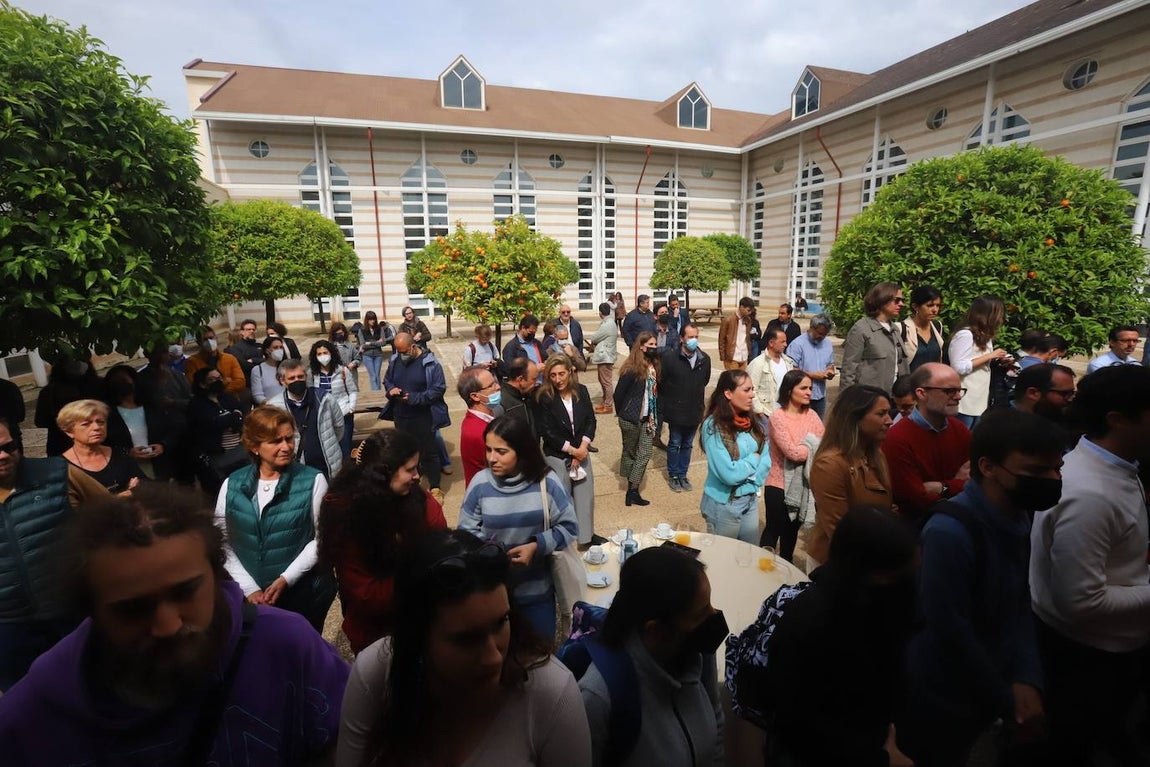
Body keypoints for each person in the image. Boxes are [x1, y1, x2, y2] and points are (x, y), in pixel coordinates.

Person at [0, 483, 350, 763]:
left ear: (216, 575)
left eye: (185, 593)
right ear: (91, 609)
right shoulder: (38, 712)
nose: (167, 625)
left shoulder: (286, 646)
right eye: (132, 609)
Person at [336, 529, 591, 767]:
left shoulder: (552, 694)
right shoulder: (376, 673)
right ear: (417, 637)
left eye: (501, 622)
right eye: (466, 639)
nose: (493, 658)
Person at [897, 409, 1059, 766]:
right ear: (987, 467)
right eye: (1035, 471)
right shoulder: (949, 533)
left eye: (1055, 468)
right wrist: (1008, 698)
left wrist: (1028, 677)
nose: (1051, 479)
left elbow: (1019, 601)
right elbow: (949, 629)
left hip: (994, 684)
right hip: (945, 696)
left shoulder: (1020, 513)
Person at [1029, 365, 1150, 765]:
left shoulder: (1110, 466)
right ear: (1117, 420)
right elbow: (1080, 602)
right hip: (1090, 659)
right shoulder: (1090, 495)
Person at [762, 506, 917, 767]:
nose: (910, 585)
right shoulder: (809, 623)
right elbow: (804, 723)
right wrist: (881, 759)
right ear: (873, 571)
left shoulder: (877, 602)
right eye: (899, 575)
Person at [579, 546, 727, 767]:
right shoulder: (598, 697)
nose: (713, 616)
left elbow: (716, 721)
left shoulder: (696, 653)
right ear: (655, 630)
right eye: (700, 613)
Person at [0, 417, 108, 689]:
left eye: (8, 446)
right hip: (10, 633)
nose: (2, 455)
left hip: (75, 616)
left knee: (100, 689)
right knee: (32, 707)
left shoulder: (58, 474)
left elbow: (115, 518)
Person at [318, 429, 446, 654]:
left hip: (424, 625)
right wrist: (426, 575)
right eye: (409, 469)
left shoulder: (418, 499)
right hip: (377, 639)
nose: (417, 476)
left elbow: (442, 546)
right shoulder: (346, 517)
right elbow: (369, 596)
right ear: (384, 473)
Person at [215, 406, 335, 631]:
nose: (286, 447)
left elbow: (323, 539)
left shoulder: (313, 480)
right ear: (254, 446)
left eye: (289, 438)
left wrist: (285, 579)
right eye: (275, 441)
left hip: (303, 596)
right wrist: (249, 588)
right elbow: (222, 540)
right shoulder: (232, 484)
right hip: (250, 601)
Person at [458, 416, 579, 639]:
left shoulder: (547, 482)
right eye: (488, 450)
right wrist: (492, 555)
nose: (491, 458)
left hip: (537, 596)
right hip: (492, 596)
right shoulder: (479, 484)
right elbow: (465, 533)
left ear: (522, 451)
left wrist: (537, 545)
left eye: (501, 452)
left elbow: (570, 527)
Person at [807, 385, 894, 566]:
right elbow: (840, 530)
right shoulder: (830, 464)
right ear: (854, 418)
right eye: (881, 414)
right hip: (841, 565)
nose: (890, 420)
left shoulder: (877, 455)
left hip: (874, 557)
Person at [881, 363, 973, 525]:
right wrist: (954, 486)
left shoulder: (960, 430)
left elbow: (976, 483)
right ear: (922, 394)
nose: (958, 396)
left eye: (959, 390)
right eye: (949, 391)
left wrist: (940, 487)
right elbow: (915, 500)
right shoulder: (896, 439)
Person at [698, 370, 771, 543]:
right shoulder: (713, 426)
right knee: (723, 557)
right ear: (728, 393)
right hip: (724, 505)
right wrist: (753, 459)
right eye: (746, 390)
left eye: (753, 389)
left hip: (750, 500)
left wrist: (749, 477)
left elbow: (766, 458)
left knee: (748, 553)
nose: (752, 395)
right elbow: (728, 474)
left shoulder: (752, 422)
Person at [535, 354, 600, 549]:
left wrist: (583, 447)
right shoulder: (544, 397)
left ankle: (586, 538)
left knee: (584, 496)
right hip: (558, 455)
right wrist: (573, 452)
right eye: (553, 375)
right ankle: (563, 539)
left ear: (570, 372)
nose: (558, 379)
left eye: (561, 374)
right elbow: (547, 432)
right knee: (561, 500)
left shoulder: (582, 391)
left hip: (581, 451)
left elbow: (590, 420)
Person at [760, 370, 824, 560]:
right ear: (789, 390)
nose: (809, 392)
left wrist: (809, 447)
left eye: (810, 388)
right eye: (803, 388)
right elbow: (792, 452)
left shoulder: (812, 415)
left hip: (803, 485)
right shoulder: (778, 417)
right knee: (773, 530)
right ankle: (762, 567)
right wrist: (812, 446)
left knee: (791, 534)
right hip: (778, 484)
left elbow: (825, 445)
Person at [383, 333, 448, 504]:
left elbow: (438, 389)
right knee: (406, 453)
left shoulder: (431, 363)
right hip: (400, 415)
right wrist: (391, 390)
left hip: (423, 416)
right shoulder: (395, 360)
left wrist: (414, 398)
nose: (401, 354)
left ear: (413, 346)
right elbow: (387, 380)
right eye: (398, 351)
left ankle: (435, 487)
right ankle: (413, 486)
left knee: (428, 452)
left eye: (404, 351)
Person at [270, 359, 344, 480]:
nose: (297, 380)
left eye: (300, 376)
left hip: (328, 467)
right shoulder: (274, 407)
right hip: (298, 471)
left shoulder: (325, 399)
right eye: (292, 378)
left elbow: (339, 427)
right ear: (282, 381)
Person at [660, 322, 711, 493]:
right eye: (690, 337)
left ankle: (682, 474)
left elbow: (704, 381)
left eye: (696, 337)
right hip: (676, 410)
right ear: (682, 338)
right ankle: (673, 475)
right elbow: (663, 382)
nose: (693, 340)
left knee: (688, 444)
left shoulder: (704, 359)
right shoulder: (670, 358)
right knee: (675, 442)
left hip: (694, 409)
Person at [948, 294, 1009, 429]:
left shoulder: (985, 337)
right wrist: (990, 356)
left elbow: (980, 363)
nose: (1001, 318)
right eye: (999, 314)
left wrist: (998, 360)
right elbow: (958, 367)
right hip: (964, 402)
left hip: (979, 401)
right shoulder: (965, 335)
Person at [102, 363, 171, 480]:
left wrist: (163, 445)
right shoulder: (107, 414)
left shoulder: (151, 407)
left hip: (159, 467)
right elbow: (106, 443)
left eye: (124, 380)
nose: (121, 384)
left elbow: (170, 429)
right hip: (128, 471)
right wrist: (127, 453)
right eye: (117, 381)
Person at [614, 331, 659, 507]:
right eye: (650, 345)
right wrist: (624, 412)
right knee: (630, 452)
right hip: (630, 419)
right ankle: (629, 486)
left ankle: (633, 490)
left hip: (649, 419)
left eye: (655, 345)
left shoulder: (654, 367)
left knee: (644, 453)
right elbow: (618, 395)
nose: (654, 348)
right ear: (641, 346)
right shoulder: (632, 369)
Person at [187, 367, 247, 498]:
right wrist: (232, 417)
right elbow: (211, 424)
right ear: (202, 384)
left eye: (219, 378)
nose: (217, 381)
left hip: (240, 453)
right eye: (212, 379)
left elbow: (243, 414)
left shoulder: (227, 398)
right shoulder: (196, 404)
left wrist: (231, 419)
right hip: (217, 458)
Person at [57, 400, 141, 494]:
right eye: (86, 424)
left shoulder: (120, 454)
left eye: (100, 422)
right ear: (69, 431)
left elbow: (143, 484)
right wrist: (121, 497)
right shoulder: (61, 468)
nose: (96, 427)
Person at [840, 282, 908, 391]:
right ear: (882, 300)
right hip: (870, 399)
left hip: (895, 398)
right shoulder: (861, 329)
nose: (901, 304)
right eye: (897, 300)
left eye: (902, 300)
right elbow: (849, 370)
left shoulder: (895, 329)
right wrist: (847, 403)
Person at [34, 352, 100, 456]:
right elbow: (40, 421)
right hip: (63, 447)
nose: (77, 364)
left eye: (80, 360)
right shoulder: (49, 392)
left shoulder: (99, 386)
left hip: (97, 444)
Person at [308, 339, 358, 458]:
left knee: (345, 449)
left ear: (331, 353)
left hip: (343, 414)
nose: (322, 356)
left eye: (325, 353)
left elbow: (353, 390)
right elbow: (310, 393)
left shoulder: (342, 371)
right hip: (323, 416)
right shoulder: (312, 373)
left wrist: (350, 408)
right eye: (319, 354)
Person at [457, 365, 501, 487]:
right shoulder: (477, 432)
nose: (498, 387)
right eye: (491, 385)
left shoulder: (487, 418)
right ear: (475, 396)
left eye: (496, 382)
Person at [785, 314, 836, 419]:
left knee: (817, 430)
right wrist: (812, 375)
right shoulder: (797, 344)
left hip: (820, 396)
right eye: (820, 333)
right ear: (812, 328)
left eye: (825, 334)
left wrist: (830, 371)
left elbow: (830, 364)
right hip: (801, 397)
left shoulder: (827, 344)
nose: (822, 337)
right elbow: (790, 370)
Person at [747, 327, 796, 419]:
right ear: (771, 343)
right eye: (782, 342)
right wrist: (759, 411)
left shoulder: (788, 362)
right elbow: (751, 389)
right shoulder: (758, 363)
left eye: (786, 341)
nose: (785, 344)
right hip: (767, 413)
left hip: (785, 412)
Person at [184, 325, 246, 395]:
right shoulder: (192, 362)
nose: (209, 341)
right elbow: (195, 386)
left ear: (216, 338)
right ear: (199, 342)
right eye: (205, 339)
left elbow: (240, 382)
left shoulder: (230, 358)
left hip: (230, 399)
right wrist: (225, 382)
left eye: (211, 338)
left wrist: (220, 392)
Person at [1013, 363, 1077, 428]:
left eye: (1072, 393)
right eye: (1065, 393)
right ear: (1033, 393)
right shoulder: (1008, 430)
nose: (1070, 399)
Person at [900, 285, 946, 372]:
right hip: (909, 382)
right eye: (930, 305)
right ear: (915, 306)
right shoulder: (902, 328)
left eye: (938, 305)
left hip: (933, 382)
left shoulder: (937, 326)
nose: (935, 309)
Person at [587, 301, 619, 414]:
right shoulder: (609, 322)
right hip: (605, 355)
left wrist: (593, 338)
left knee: (606, 381)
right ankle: (605, 401)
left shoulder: (607, 324)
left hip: (606, 356)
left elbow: (595, 338)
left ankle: (608, 404)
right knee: (603, 380)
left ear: (600, 313)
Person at [501, 357, 539, 435]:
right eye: (533, 379)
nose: (536, 383)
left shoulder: (526, 396)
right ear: (521, 379)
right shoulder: (503, 404)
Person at [358, 310, 395, 391]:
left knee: (377, 375)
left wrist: (370, 343)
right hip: (367, 356)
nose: (372, 321)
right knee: (373, 376)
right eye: (370, 319)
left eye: (374, 319)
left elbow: (383, 343)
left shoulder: (380, 329)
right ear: (366, 320)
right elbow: (363, 345)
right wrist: (376, 342)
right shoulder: (362, 330)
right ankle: (375, 393)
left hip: (378, 355)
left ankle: (377, 392)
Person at [718, 296, 755, 371]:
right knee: (733, 380)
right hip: (732, 356)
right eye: (748, 310)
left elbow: (747, 338)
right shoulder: (728, 320)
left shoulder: (748, 320)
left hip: (744, 355)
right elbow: (721, 339)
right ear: (741, 307)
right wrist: (723, 356)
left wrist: (749, 352)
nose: (750, 312)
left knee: (741, 381)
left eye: (751, 311)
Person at [250, 335, 287, 405]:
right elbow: (257, 395)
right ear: (267, 351)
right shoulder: (258, 370)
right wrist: (273, 404)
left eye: (281, 347)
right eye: (275, 347)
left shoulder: (287, 367)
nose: (279, 350)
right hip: (271, 408)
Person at [226, 317, 264, 383]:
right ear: (242, 332)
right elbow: (244, 366)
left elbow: (271, 360)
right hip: (248, 382)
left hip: (263, 380)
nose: (251, 331)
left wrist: (254, 360)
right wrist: (263, 364)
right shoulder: (235, 348)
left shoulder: (260, 346)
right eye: (248, 329)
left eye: (253, 329)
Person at [330, 321, 362, 387]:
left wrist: (354, 363)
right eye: (337, 334)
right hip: (336, 380)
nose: (339, 335)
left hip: (351, 378)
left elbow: (358, 358)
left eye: (341, 333)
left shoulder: (350, 346)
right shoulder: (330, 347)